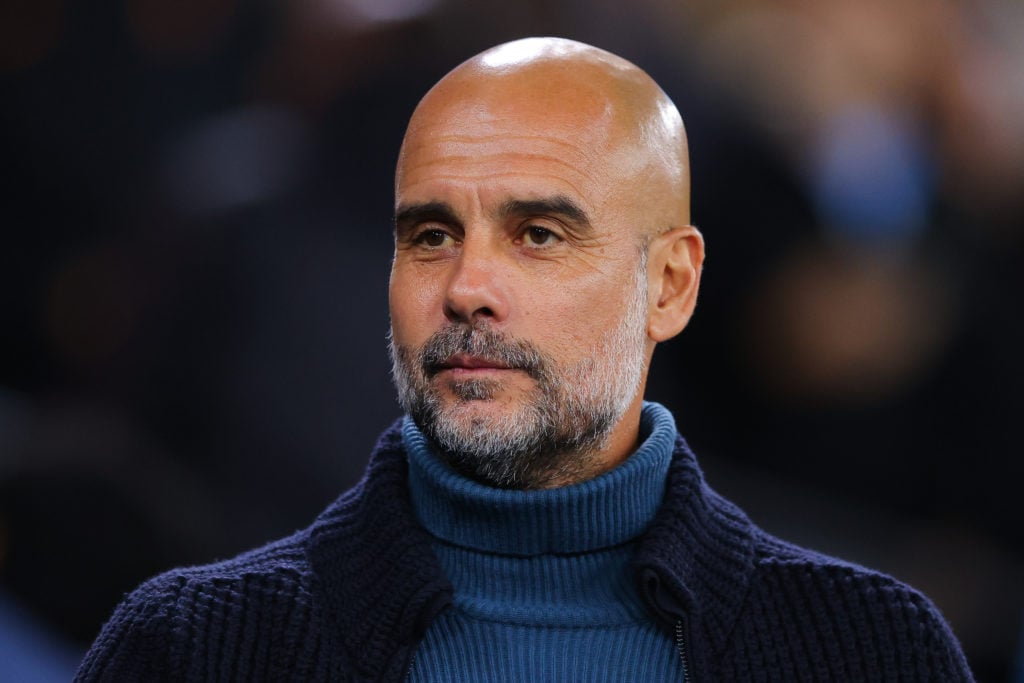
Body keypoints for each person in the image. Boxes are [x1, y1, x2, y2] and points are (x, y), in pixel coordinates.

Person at [76, 37, 973, 681]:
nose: (467, 286)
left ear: (670, 286)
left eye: (538, 234)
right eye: (430, 235)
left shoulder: (867, 647)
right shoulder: (195, 646)